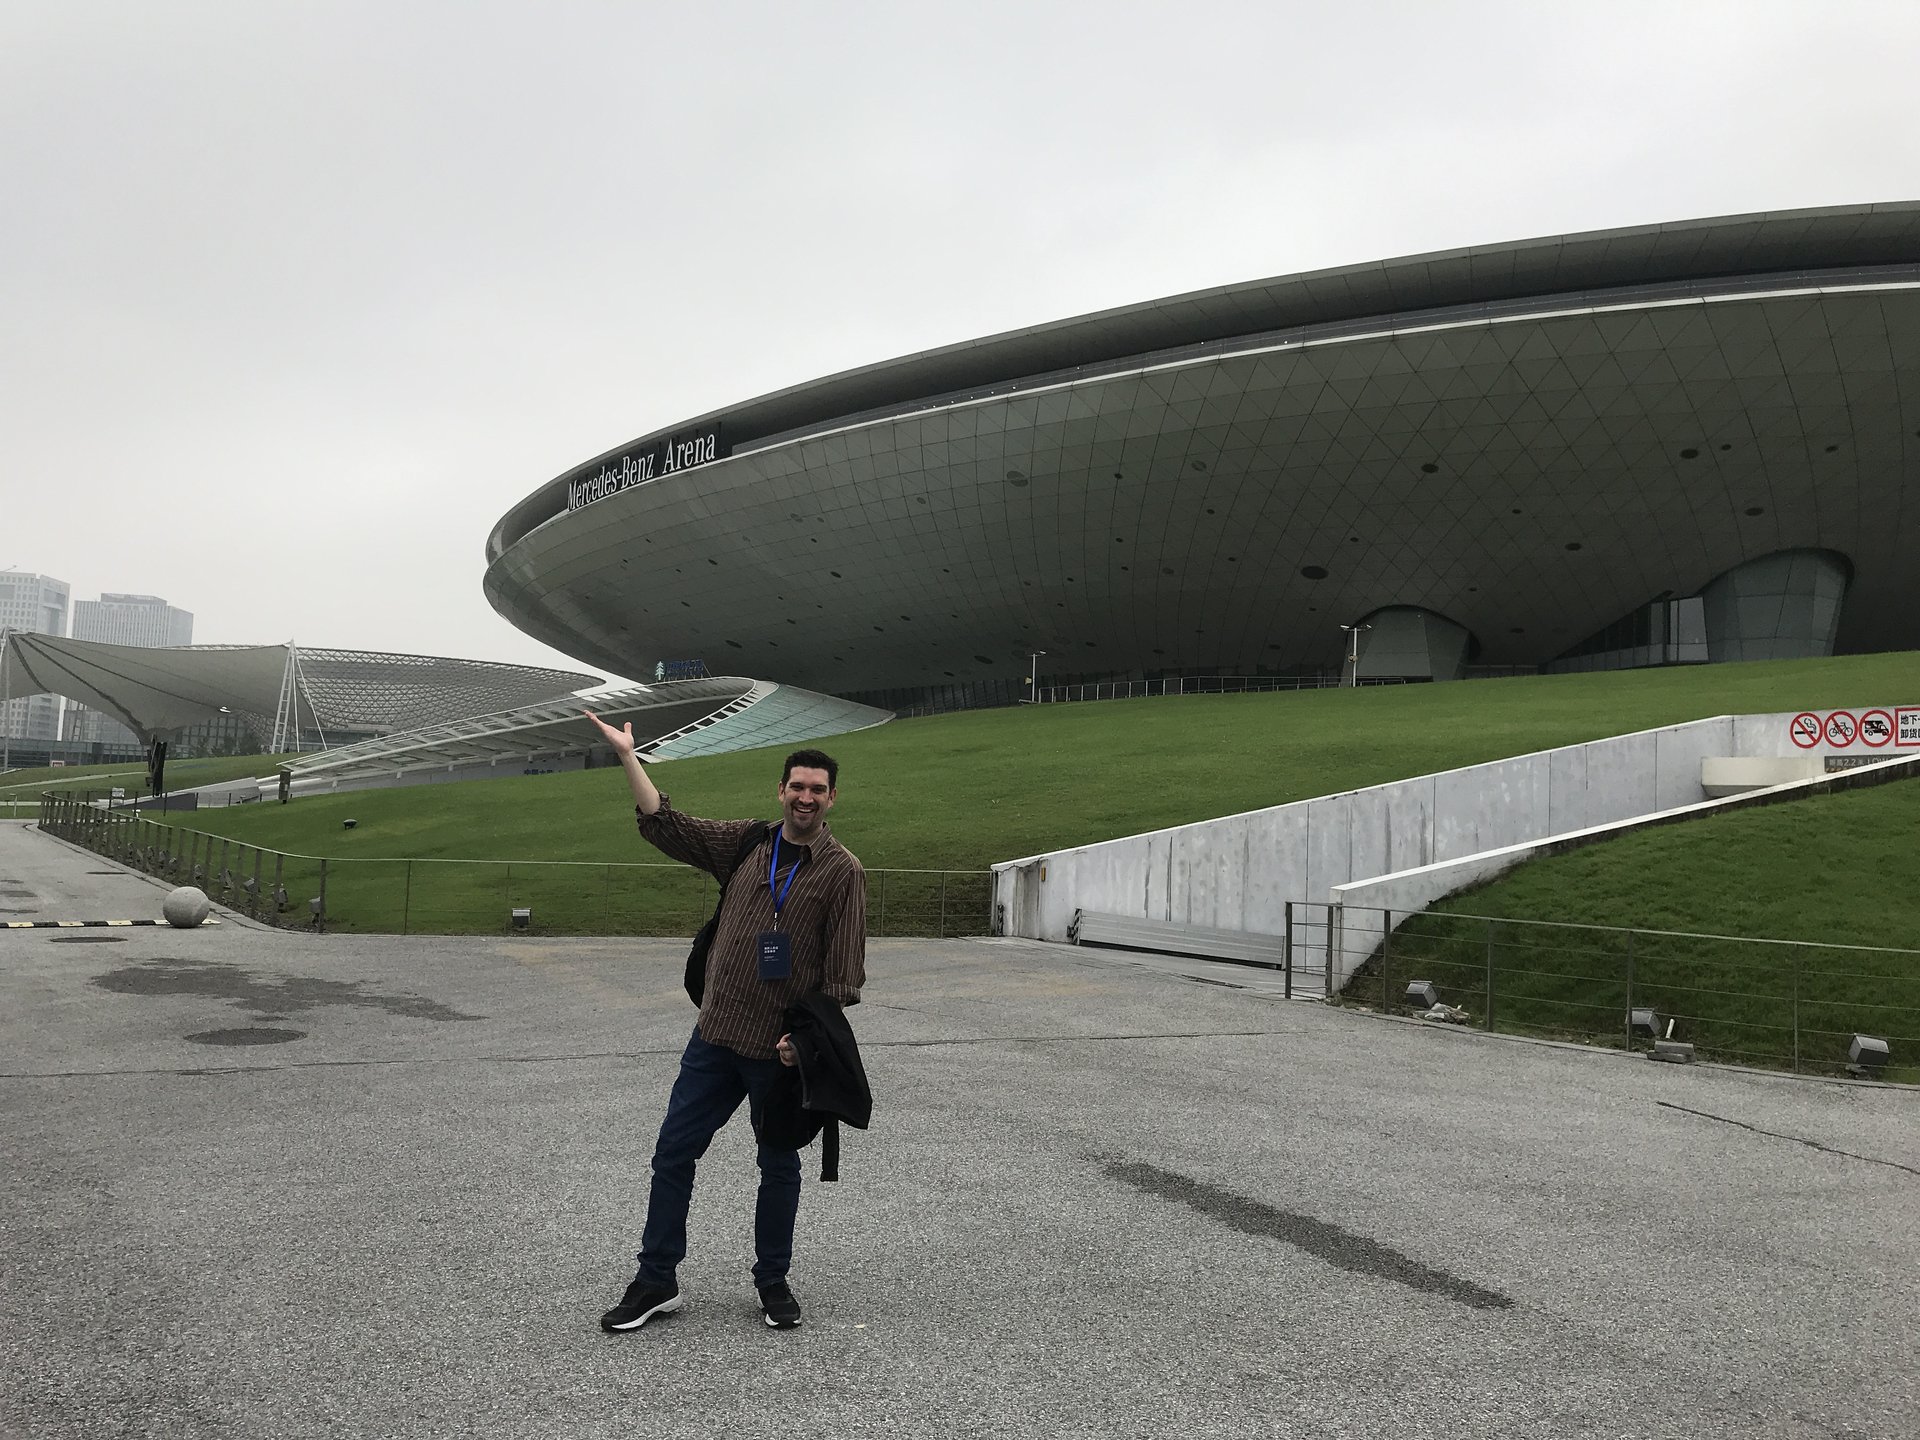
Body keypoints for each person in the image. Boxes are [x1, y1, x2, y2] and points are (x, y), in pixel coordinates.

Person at [584, 709, 867, 1333]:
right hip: (713, 1040)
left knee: (779, 1166)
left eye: (817, 789)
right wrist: (630, 756)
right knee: (674, 1152)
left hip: (778, 1053)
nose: (805, 797)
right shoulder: (747, 844)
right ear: (782, 790)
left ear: (831, 798)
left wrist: (803, 1042)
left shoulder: (842, 872)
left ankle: (772, 1281)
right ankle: (656, 1278)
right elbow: (666, 825)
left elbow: (843, 978)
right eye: (797, 786)